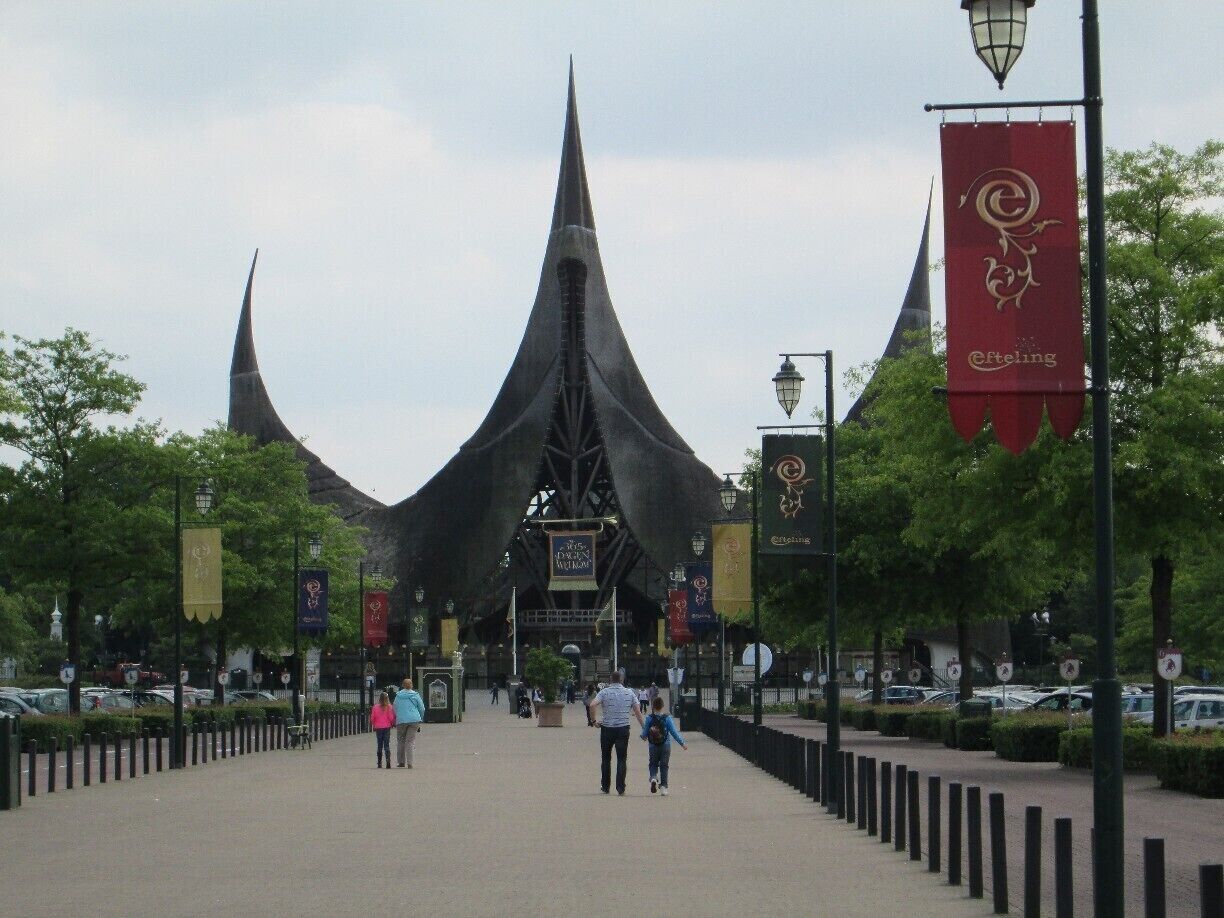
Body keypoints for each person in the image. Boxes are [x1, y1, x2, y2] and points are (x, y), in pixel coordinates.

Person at [589, 671, 644, 795]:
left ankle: (605, 786)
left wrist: (593, 721)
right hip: (623, 728)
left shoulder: (604, 692)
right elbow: (638, 712)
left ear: (610, 679)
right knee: (621, 758)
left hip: (607, 728)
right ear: (622, 679)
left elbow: (592, 705)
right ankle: (620, 787)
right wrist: (644, 729)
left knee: (606, 758)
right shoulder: (629, 693)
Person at [640, 696, 686, 795]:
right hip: (665, 745)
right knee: (664, 766)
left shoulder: (649, 718)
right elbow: (673, 732)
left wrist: (643, 736)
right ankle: (664, 787)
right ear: (662, 706)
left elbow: (644, 733)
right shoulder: (667, 718)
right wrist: (682, 743)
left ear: (653, 706)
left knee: (653, 764)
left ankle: (653, 778)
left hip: (653, 746)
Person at [392, 678, 425, 768]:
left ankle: (401, 762)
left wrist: (397, 717)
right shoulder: (416, 695)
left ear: (402, 685)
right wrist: (420, 718)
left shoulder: (398, 695)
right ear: (412, 685)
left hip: (401, 720)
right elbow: (422, 708)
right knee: (410, 741)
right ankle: (410, 763)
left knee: (401, 740)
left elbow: (394, 707)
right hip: (414, 720)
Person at [369, 691, 395, 768]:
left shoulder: (375, 707)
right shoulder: (389, 707)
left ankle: (379, 762)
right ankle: (388, 760)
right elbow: (391, 718)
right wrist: (392, 723)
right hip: (387, 727)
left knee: (379, 745)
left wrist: (373, 724)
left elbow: (372, 718)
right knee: (386, 745)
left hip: (378, 727)